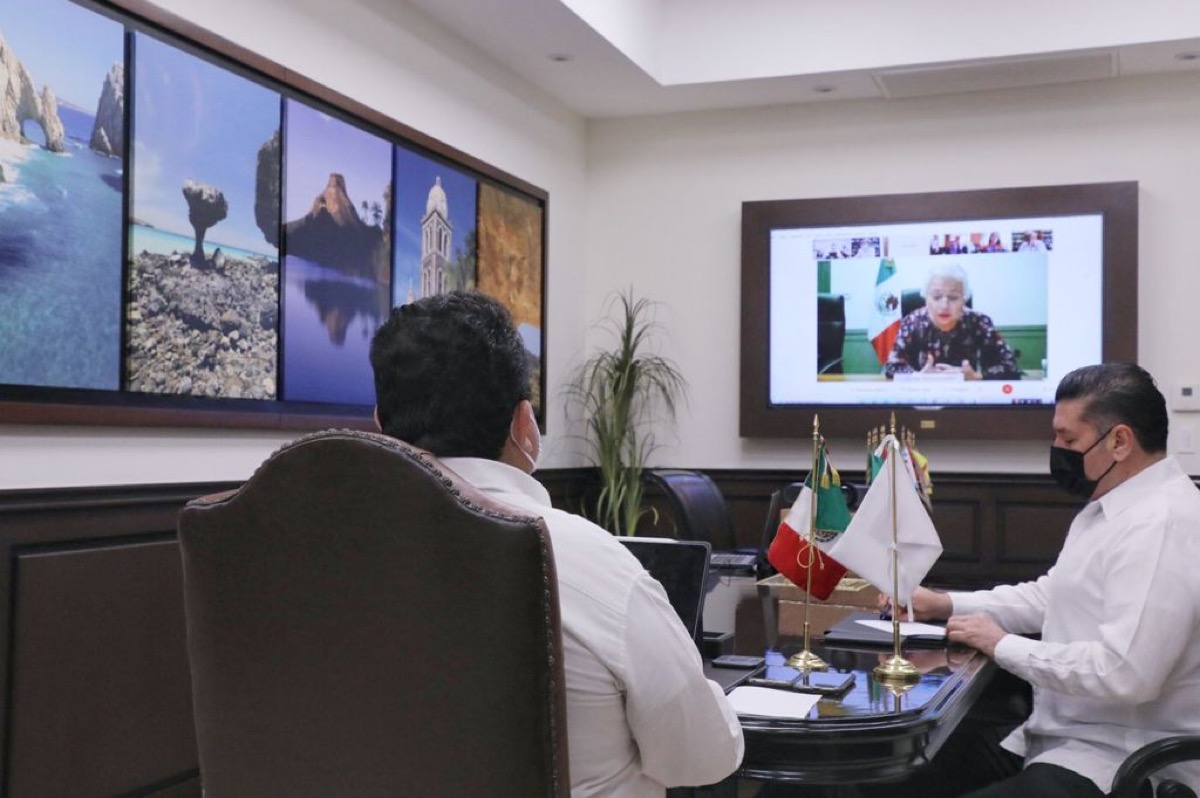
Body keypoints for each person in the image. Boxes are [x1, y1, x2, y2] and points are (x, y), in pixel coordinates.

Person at [369, 291, 744, 797]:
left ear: (379, 425)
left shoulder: (323, 563)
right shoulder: (588, 563)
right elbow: (702, 757)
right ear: (525, 423)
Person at [887, 363, 1200, 797]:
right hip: (1055, 740)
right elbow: (1054, 595)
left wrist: (1002, 644)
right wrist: (947, 605)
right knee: (887, 772)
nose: (1057, 449)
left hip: (1120, 762)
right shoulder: (1110, 506)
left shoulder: (1162, 523)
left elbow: (1126, 673)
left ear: (1120, 441)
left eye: (1069, 439)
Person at [885, 263, 1022, 380]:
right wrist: (918, 377)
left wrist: (976, 376)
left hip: (966, 399)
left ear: (964, 299)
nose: (944, 305)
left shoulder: (980, 321)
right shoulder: (912, 321)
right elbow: (892, 366)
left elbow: (1010, 366)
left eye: (953, 297)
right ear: (926, 299)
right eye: (937, 297)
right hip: (922, 398)